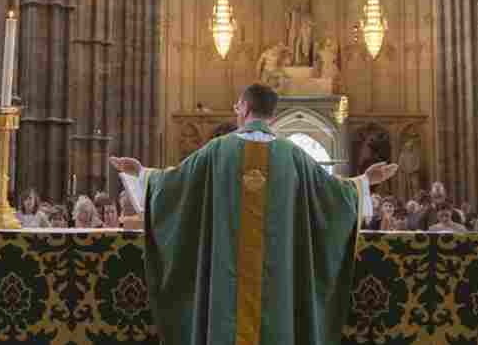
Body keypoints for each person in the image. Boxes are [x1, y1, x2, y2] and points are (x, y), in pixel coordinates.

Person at [109, 83, 397, 345]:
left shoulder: (216, 151)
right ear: (272, 115)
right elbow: (335, 195)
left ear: (244, 108)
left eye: (237, 107)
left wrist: (141, 173)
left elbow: (172, 186)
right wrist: (364, 182)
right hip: (278, 286)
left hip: (224, 285)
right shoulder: (293, 156)